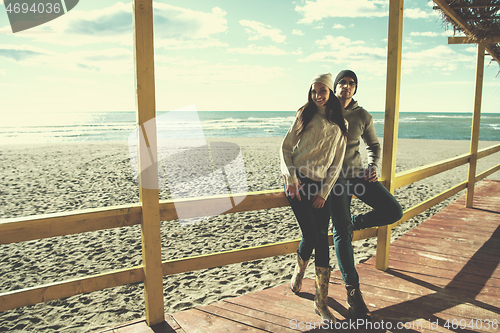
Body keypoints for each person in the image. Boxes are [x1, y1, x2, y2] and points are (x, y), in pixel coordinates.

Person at [330, 69, 403, 320]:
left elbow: (373, 145)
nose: (347, 86)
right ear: (335, 86)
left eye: (351, 83)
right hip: (335, 181)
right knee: (341, 233)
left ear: (355, 88)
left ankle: (354, 223)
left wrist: (373, 166)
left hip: (358, 177)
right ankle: (353, 293)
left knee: (394, 211)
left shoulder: (362, 115)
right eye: (343, 82)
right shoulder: (324, 112)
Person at [281, 73, 348, 323]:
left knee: (322, 239)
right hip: (297, 182)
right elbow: (286, 148)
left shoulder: (341, 123)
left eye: (322, 91)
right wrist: (290, 177)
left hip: (321, 188)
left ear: (330, 92)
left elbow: (337, 163)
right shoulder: (304, 114)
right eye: (314, 91)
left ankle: (321, 302)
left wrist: (324, 192)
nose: (317, 95)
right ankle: (299, 273)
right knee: (311, 235)